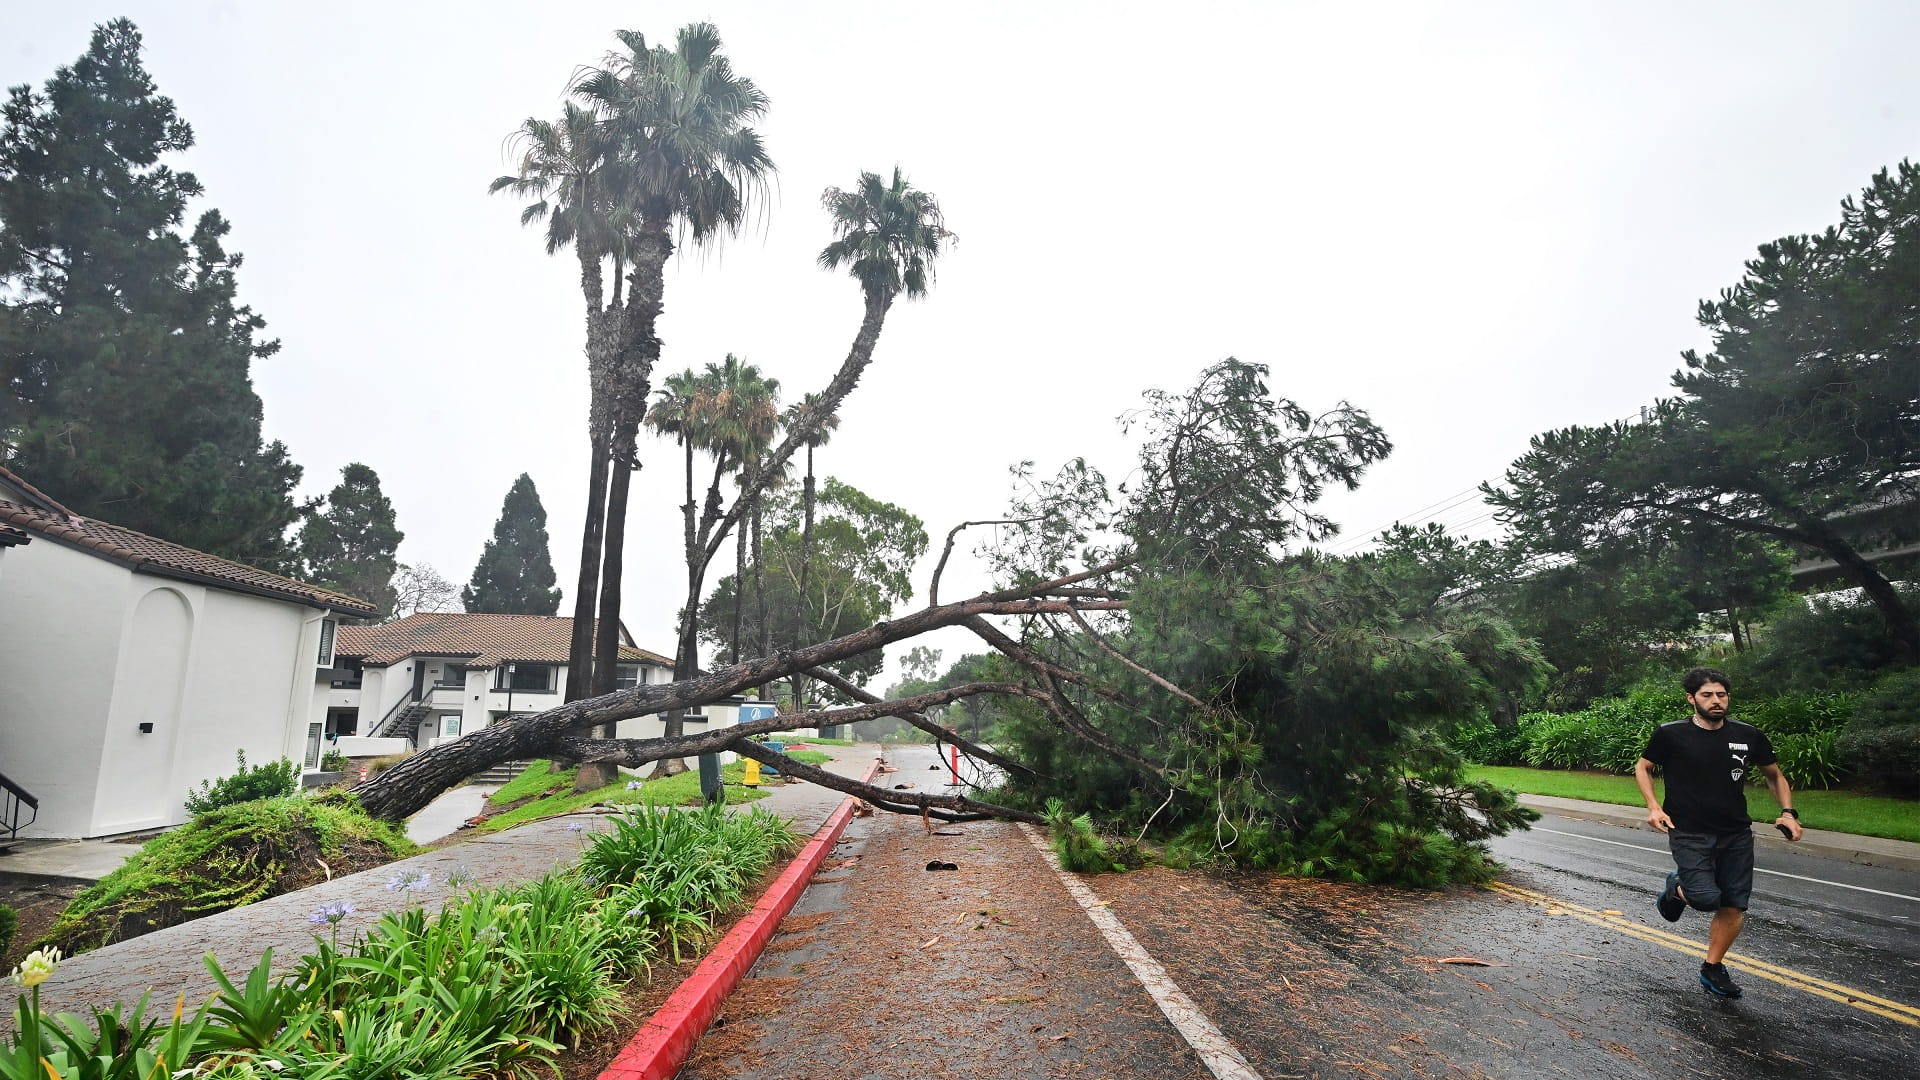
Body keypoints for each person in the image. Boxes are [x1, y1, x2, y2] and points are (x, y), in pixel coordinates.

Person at [1634, 666, 1802, 998]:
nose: (1716, 701)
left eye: (1721, 695)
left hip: (1736, 832)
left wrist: (1788, 812)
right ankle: (1676, 888)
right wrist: (1654, 806)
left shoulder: (1748, 735)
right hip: (1688, 830)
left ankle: (1712, 969)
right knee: (1705, 898)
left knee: (1734, 904)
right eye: (1707, 695)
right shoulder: (1670, 734)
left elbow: (1774, 775)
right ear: (1691, 698)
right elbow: (1643, 767)